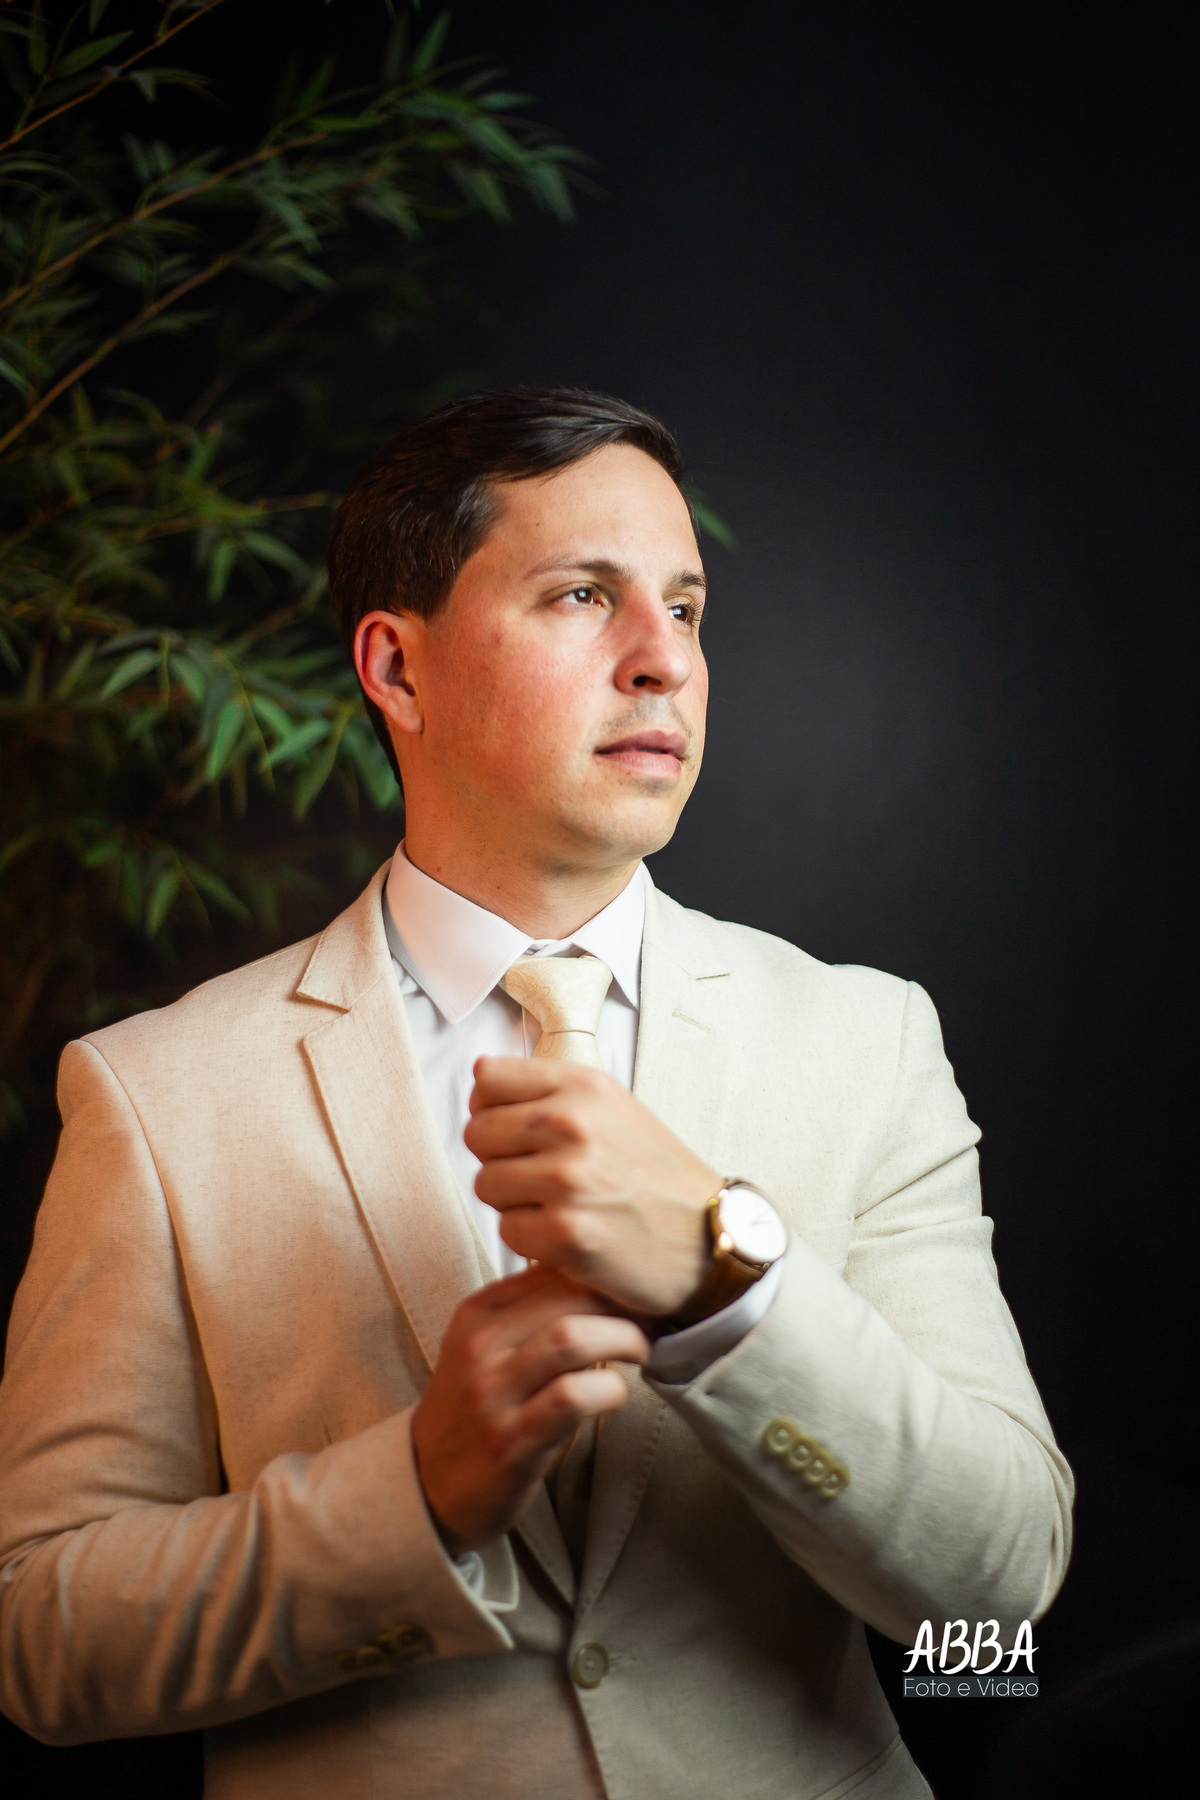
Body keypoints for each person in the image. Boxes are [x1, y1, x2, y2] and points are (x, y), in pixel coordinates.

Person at [0, 389, 1073, 1800]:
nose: (665, 661)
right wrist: (417, 1492)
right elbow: (43, 1643)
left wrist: (727, 1283)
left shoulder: (867, 1041)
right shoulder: (154, 1095)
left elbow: (998, 1591)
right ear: (398, 668)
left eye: (685, 609)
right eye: (583, 595)